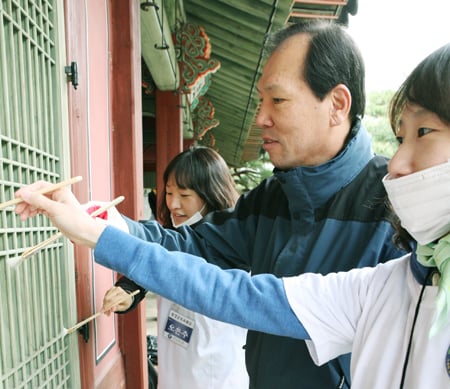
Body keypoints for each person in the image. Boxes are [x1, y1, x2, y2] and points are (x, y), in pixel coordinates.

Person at [13, 42, 450, 388]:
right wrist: (104, 226)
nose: (261, 117)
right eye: (400, 137)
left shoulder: (396, 210)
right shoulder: (273, 202)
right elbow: (210, 265)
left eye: (277, 100)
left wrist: (98, 235)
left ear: (336, 103)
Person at [101, 146, 249, 388]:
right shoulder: (173, 237)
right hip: (175, 371)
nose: (173, 204)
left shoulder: (232, 244)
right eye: (169, 193)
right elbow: (152, 261)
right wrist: (126, 292)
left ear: (210, 194)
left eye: (185, 195)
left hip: (217, 374)